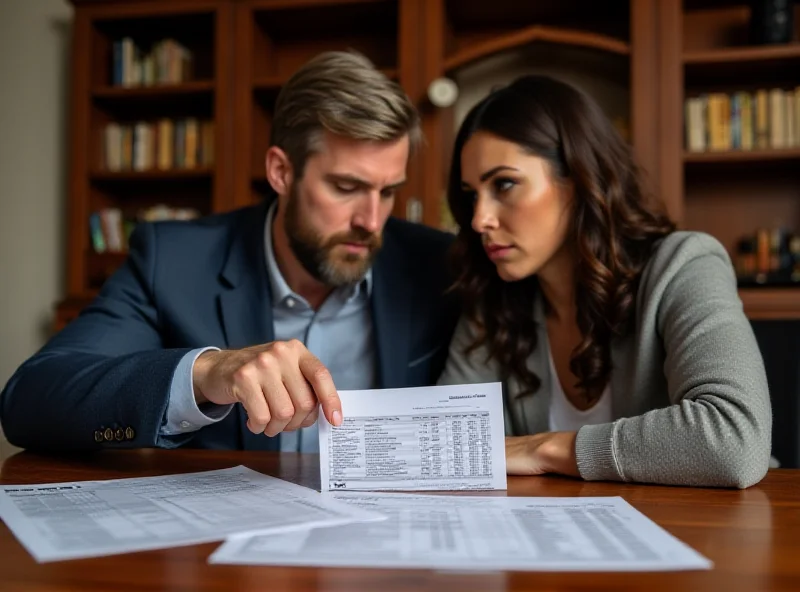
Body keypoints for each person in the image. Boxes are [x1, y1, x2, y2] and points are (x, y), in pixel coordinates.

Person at [0, 51, 459, 452]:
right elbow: (30, 400)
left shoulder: (437, 265)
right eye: (346, 187)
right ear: (281, 171)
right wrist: (205, 373)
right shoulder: (174, 261)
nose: (372, 221)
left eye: (389, 192)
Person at [437, 74, 772, 488]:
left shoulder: (683, 264)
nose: (479, 219)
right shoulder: (494, 299)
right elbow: (451, 443)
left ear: (577, 180)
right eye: (472, 194)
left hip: (714, 532)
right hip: (563, 537)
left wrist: (542, 448)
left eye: (504, 184)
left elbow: (733, 439)